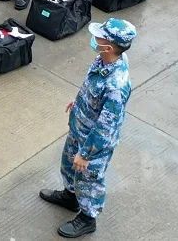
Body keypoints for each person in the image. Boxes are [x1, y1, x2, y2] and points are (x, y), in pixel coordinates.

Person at [39, 18, 136, 239]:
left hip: (93, 143)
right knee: (68, 165)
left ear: (109, 46)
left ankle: (87, 218)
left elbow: (106, 126)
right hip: (79, 127)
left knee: (89, 181)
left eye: (99, 37)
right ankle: (70, 197)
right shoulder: (104, 59)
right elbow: (92, 89)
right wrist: (79, 102)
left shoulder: (116, 86)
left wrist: (86, 154)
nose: (95, 39)